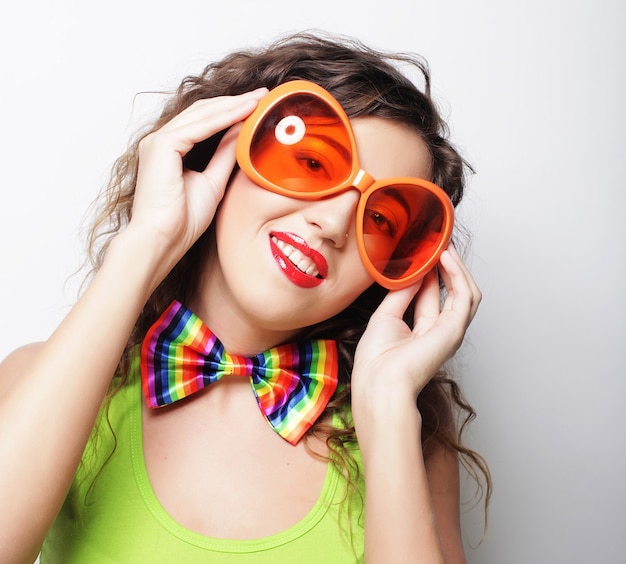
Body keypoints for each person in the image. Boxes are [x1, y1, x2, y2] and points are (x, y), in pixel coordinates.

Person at [0, 32, 490, 563]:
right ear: (229, 149)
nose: (331, 223)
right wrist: (144, 245)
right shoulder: (40, 380)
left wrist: (391, 405)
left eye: (379, 219)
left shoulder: (408, 440)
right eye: (311, 164)